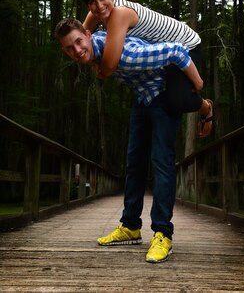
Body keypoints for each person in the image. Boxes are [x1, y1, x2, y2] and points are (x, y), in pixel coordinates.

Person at [54, 18, 205, 263]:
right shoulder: (97, 51)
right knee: (134, 163)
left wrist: (197, 84)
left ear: (88, 35)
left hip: (163, 94)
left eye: (79, 42)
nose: (77, 50)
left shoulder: (126, 54)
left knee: (162, 162)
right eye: (70, 48)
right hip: (142, 97)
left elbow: (176, 51)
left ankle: (163, 234)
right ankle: (130, 227)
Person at [79, 0, 213, 138]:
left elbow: (110, 66)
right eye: (92, 1)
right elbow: (82, 40)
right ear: (87, 5)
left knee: (176, 102)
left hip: (187, 45)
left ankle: (206, 107)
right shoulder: (96, 14)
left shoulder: (120, 13)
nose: (99, 6)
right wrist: (95, 64)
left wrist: (100, 66)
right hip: (165, 53)